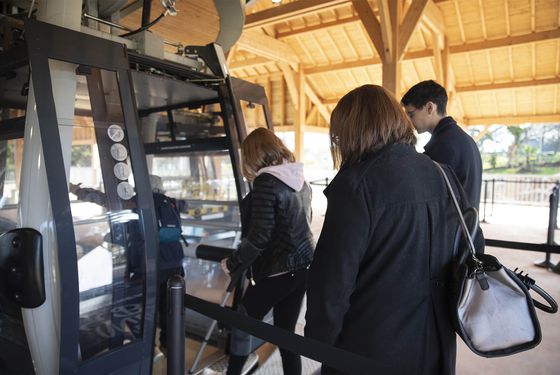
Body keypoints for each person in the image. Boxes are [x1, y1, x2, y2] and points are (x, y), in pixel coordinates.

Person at [305, 85, 477, 374]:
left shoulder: (356, 185)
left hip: (371, 345)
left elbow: (333, 280)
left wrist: (318, 341)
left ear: (349, 131)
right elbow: (473, 246)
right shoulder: (442, 173)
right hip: (437, 340)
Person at [220, 128, 315, 375]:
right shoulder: (299, 180)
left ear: (252, 155)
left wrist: (233, 262)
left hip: (276, 273)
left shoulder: (266, 181)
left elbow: (259, 235)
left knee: (241, 324)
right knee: (285, 335)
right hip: (302, 269)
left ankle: (233, 373)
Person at [70, 175, 186, 353]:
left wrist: (77, 190)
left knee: (138, 307)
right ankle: (168, 346)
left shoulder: (135, 203)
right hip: (174, 263)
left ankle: (146, 346)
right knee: (169, 307)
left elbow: (105, 201)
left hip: (149, 266)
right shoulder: (170, 203)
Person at [401, 80, 483, 209]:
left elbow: (426, 196)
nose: (409, 121)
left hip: (451, 227)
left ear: (430, 108)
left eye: (411, 114)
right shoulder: (460, 138)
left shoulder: (444, 145)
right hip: (466, 225)